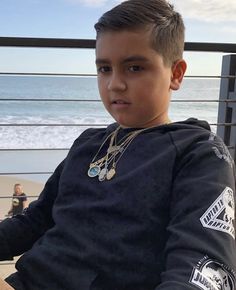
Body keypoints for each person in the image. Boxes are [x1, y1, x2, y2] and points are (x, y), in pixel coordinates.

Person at [0, 0, 235, 289]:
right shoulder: (89, 144)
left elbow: (204, 269)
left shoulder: (198, 154)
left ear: (176, 73)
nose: (114, 84)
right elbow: (35, 221)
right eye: (104, 68)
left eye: (134, 67)